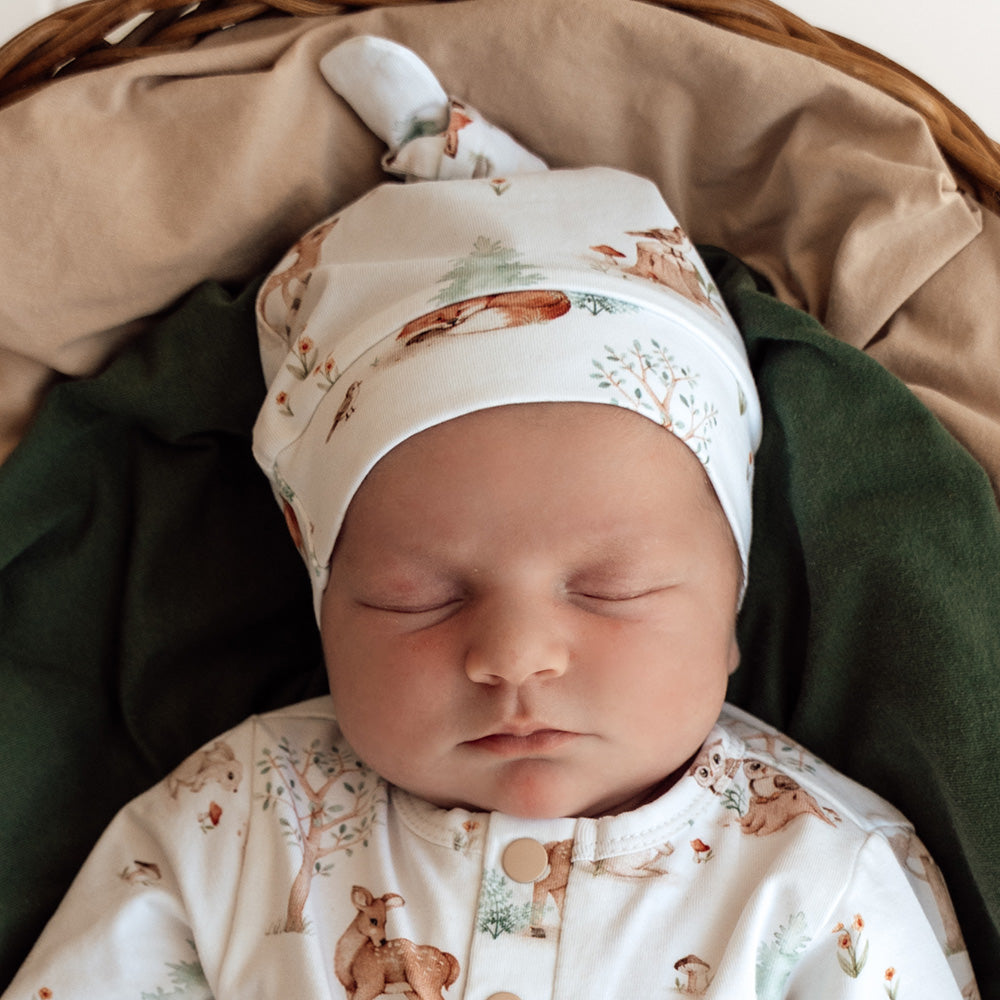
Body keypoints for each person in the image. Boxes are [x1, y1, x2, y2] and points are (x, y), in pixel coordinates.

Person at [2, 160, 978, 1000]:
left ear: (731, 611)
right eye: (418, 595)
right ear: (325, 611)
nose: (513, 655)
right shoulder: (235, 821)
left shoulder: (822, 873)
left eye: (610, 587)